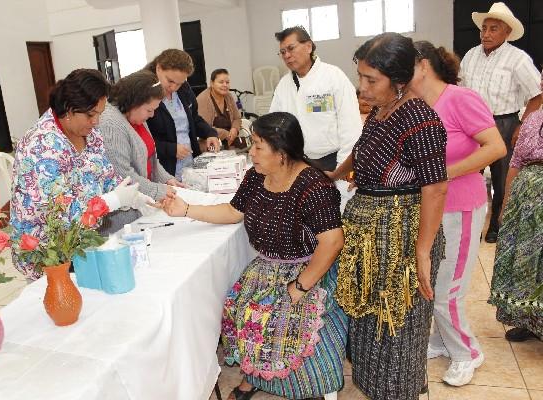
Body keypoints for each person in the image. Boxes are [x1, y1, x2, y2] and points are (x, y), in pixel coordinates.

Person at [160, 112, 348, 400]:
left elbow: (332, 242)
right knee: (242, 308)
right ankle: (254, 377)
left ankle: (307, 385)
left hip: (307, 269)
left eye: (259, 146)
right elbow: (233, 211)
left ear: (282, 152)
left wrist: (300, 286)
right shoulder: (256, 177)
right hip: (267, 267)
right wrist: (186, 210)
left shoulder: (314, 186)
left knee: (285, 318)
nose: (252, 152)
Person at [328, 33, 448, 400]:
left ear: (399, 81)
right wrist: (332, 176)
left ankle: (397, 391)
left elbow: (435, 188)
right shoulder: (382, 111)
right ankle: (374, 385)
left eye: (370, 80)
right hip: (370, 229)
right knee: (368, 316)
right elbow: (361, 152)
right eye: (360, 77)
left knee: (396, 320)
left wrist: (423, 250)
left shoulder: (420, 118)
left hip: (400, 233)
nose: (361, 88)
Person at [411, 41, 507, 386]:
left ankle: (467, 351)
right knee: (432, 281)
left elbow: (496, 147)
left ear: (422, 65)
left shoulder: (460, 98)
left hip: (461, 206)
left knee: (446, 289)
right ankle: (442, 340)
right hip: (430, 208)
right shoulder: (418, 105)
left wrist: (448, 173)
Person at [10, 69, 141, 280]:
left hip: (84, 243)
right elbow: (62, 215)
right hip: (50, 254)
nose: (96, 121)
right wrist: (113, 200)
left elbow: (105, 174)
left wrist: (131, 194)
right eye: (91, 115)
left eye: (100, 113)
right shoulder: (42, 145)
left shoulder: (89, 132)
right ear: (69, 110)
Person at [460, 2, 542, 243]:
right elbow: (462, 90)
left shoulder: (518, 59)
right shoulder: (470, 55)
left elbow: (536, 95)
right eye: (484, 28)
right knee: (469, 176)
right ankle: (473, 224)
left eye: (493, 29)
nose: (486, 34)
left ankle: (496, 225)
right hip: (472, 125)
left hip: (504, 123)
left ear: (506, 32)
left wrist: (522, 126)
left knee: (501, 178)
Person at [98, 70, 183, 234]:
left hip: (141, 205)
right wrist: (157, 190)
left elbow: (150, 157)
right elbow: (123, 175)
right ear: (134, 102)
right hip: (121, 219)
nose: (152, 115)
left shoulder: (133, 115)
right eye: (149, 110)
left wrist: (166, 180)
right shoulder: (111, 123)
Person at [269, 26, 362, 172]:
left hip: (332, 161)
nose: (287, 55)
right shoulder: (284, 85)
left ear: (308, 46)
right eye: (282, 52)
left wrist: (341, 169)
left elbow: (351, 128)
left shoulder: (333, 77)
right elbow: (273, 124)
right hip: (297, 163)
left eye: (291, 48)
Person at [489, 105, 543, 343]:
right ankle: (528, 320)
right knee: (525, 261)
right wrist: (505, 206)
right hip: (526, 201)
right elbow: (516, 162)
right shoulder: (534, 119)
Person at [144, 49, 220, 180]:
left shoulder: (184, 89)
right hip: (163, 169)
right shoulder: (145, 94)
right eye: (170, 81)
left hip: (189, 163)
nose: (173, 87)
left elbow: (194, 119)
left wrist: (210, 133)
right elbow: (141, 139)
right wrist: (171, 149)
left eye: (179, 83)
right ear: (158, 68)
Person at [197, 68, 242, 150]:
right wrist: (225, 134)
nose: (225, 85)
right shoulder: (203, 99)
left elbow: (237, 118)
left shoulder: (228, 96)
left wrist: (235, 129)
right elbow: (204, 127)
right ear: (212, 83)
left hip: (231, 141)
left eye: (227, 82)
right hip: (211, 146)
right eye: (221, 82)